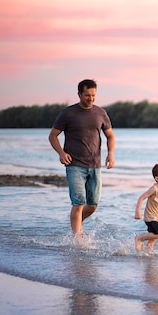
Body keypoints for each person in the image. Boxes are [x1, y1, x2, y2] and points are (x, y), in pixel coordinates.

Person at [48, 79, 116, 241]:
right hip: (74, 165)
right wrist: (61, 153)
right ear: (79, 94)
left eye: (93, 95)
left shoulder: (101, 113)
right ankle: (77, 237)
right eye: (87, 95)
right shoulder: (68, 113)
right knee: (78, 202)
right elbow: (53, 136)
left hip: (95, 165)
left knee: (92, 205)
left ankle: (76, 224)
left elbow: (110, 136)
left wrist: (111, 154)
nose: (91, 98)